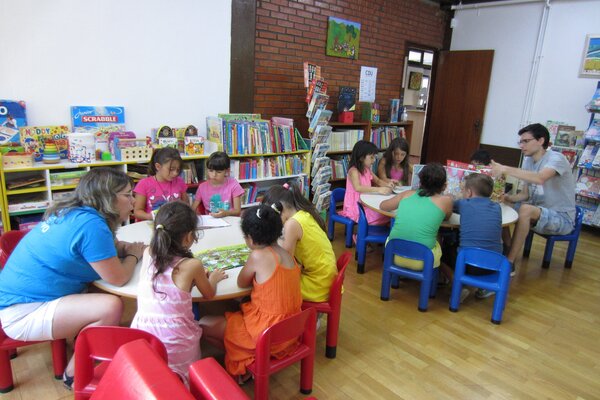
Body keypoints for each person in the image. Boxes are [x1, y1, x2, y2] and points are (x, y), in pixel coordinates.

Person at [0, 168, 145, 389]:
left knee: (99, 291)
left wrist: (127, 249)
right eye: (127, 195)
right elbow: (118, 278)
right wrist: (134, 255)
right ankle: (75, 374)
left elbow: (107, 248)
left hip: (21, 298)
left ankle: (87, 342)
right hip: (23, 312)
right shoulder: (92, 225)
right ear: (107, 198)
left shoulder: (77, 212)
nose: (133, 201)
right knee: (111, 306)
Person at [199, 204, 302, 382]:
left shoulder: (258, 256)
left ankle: (247, 360)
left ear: (251, 240)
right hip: (290, 332)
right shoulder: (287, 254)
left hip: (266, 334)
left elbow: (241, 282)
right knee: (234, 311)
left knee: (203, 324)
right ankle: (246, 356)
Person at [130, 201, 227, 386]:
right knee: (183, 382)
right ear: (189, 236)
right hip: (178, 344)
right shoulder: (192, 265)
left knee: (157, 377)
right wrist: (213, 278)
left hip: (143, 339)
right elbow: (209, 295)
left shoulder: (148, 252)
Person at [491, 123, 576, 273]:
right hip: (538, 210)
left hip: (562, 218)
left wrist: (505, 168)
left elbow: (539, 178)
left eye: (526, 141)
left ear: (541, 140)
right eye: (520, 142)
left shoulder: (557, 158)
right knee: (500, 206)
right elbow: (526, 195)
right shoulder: (528, 161)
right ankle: (508, 247)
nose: (521, 145)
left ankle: (509, 262)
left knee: (526, 209)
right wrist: (507, 198)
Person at [262, 182, 337, 302]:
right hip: (326, 279)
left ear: (279, 209)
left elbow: (285, 263)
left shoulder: (292, 224)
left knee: (270, 285)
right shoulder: (303, 214)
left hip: (317, 285)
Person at [439, 173, 502, 301]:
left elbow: (447, 206)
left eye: (462, 190)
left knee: (439, 254)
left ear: (469, 193)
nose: (462, 193)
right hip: (495, 264)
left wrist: (449, 198)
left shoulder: (464, 204)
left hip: (468, 263)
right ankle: (485, 288)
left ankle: (457, 285)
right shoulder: (497, 207)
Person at [381, 163, 453, 270]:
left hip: (394, 254)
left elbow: (383, 206)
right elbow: (447, 217)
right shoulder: (446, 201)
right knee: (438, 236)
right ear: (444, 185)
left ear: (419, 182)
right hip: (424, 260)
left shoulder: (406, 194)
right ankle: (435, 275)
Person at [340, 140, 392, 226]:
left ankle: (371, 229)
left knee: (386, 214)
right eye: (371, 157)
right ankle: (362, 231)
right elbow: (358, 187)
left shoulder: (367, 169)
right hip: (355, 207)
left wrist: (387, 184)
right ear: (361, 158)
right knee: (384, 215)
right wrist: (378, 189)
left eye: (374, 157)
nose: (374, 160)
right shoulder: (353, 171)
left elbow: (378, 181)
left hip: (365, 203)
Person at [133, 147, 189, 221]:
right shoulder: (144, 184)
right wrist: (150, 217)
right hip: (152, 224)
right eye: (171, 169)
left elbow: (186, 205)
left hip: (174, 223)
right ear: (158, 166)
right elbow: (137, 211)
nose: (175, 173)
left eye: (178, 170)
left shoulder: (179, 182)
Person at [191, 151, 244, 218]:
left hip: (229, 218)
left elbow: (237, 211)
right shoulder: (202, 187)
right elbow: (193, 209)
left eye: (219, 172)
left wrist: (226, 213)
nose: (214, 175)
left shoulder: (233, 185)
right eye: (211, 171)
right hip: (211, 220)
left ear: (227, 171)